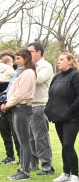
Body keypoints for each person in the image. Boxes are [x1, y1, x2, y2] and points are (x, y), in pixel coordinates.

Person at [1, 49, 36, 180]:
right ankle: (22, 168)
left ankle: (25, 172)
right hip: (17, 108)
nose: (16, 61)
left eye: (19, 59)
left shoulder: (29, 73)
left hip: (22, 108)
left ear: (26, 59)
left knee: (24, 142)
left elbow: (20, 94)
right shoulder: (22, 72)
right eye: (16, 59)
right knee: (21, 142)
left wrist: (7, 104)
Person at [45, 52, 79, 182]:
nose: (58, 61)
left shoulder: (75, 75)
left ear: (70, 61)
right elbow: (52, 94)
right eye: (58, 59)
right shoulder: (57, 76)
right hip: (58, 118)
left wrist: (69, 111)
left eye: (61, 59)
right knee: (64, 146)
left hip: (72, 118)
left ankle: (75, 175)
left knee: (68, 145)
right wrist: (48, 109)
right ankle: (66, 173)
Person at [27, 41, 55, 175]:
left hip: (40, 105)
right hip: (28, 105)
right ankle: (33, 163)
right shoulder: (29, 66)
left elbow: (37, 80)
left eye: (31, 51)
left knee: (40, 137)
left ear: (39, 52)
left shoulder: (45, 66)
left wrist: (27, 71)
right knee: (30, 137)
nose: (28, 54)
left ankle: (47, 166)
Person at [0, 51, 20, 165]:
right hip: (0, 105)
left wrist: (3, 86)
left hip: (13, 105)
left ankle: (21, 157)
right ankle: (10, 156)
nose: (1, 62)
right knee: (4, 131)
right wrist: (6, 86)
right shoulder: (0, 69)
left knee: (16, 132)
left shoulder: (16, 70)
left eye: (4, 59)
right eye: (0, 59)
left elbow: (15, 85)